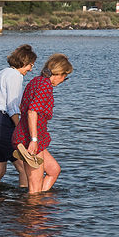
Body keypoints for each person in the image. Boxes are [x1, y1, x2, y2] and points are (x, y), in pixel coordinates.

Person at [11, 53, 73, 194]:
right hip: (30, 139)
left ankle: (39, 209)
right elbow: (32, 111)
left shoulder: (36, 81)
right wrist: (33, 140)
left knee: (54, 170)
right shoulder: (45, 86)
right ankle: (33, 212)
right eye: (65, 77)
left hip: (29, 135)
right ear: (58, 73)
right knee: (34, 189)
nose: (63, 80)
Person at [0, 44, 37, 186]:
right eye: (31, 65)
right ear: (24, 62)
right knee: (25, 168)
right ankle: (25, 204)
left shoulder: (0, 73)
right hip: (2, 121)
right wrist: (21, 129)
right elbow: (12, 106)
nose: (31, 69)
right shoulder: (15, 76)